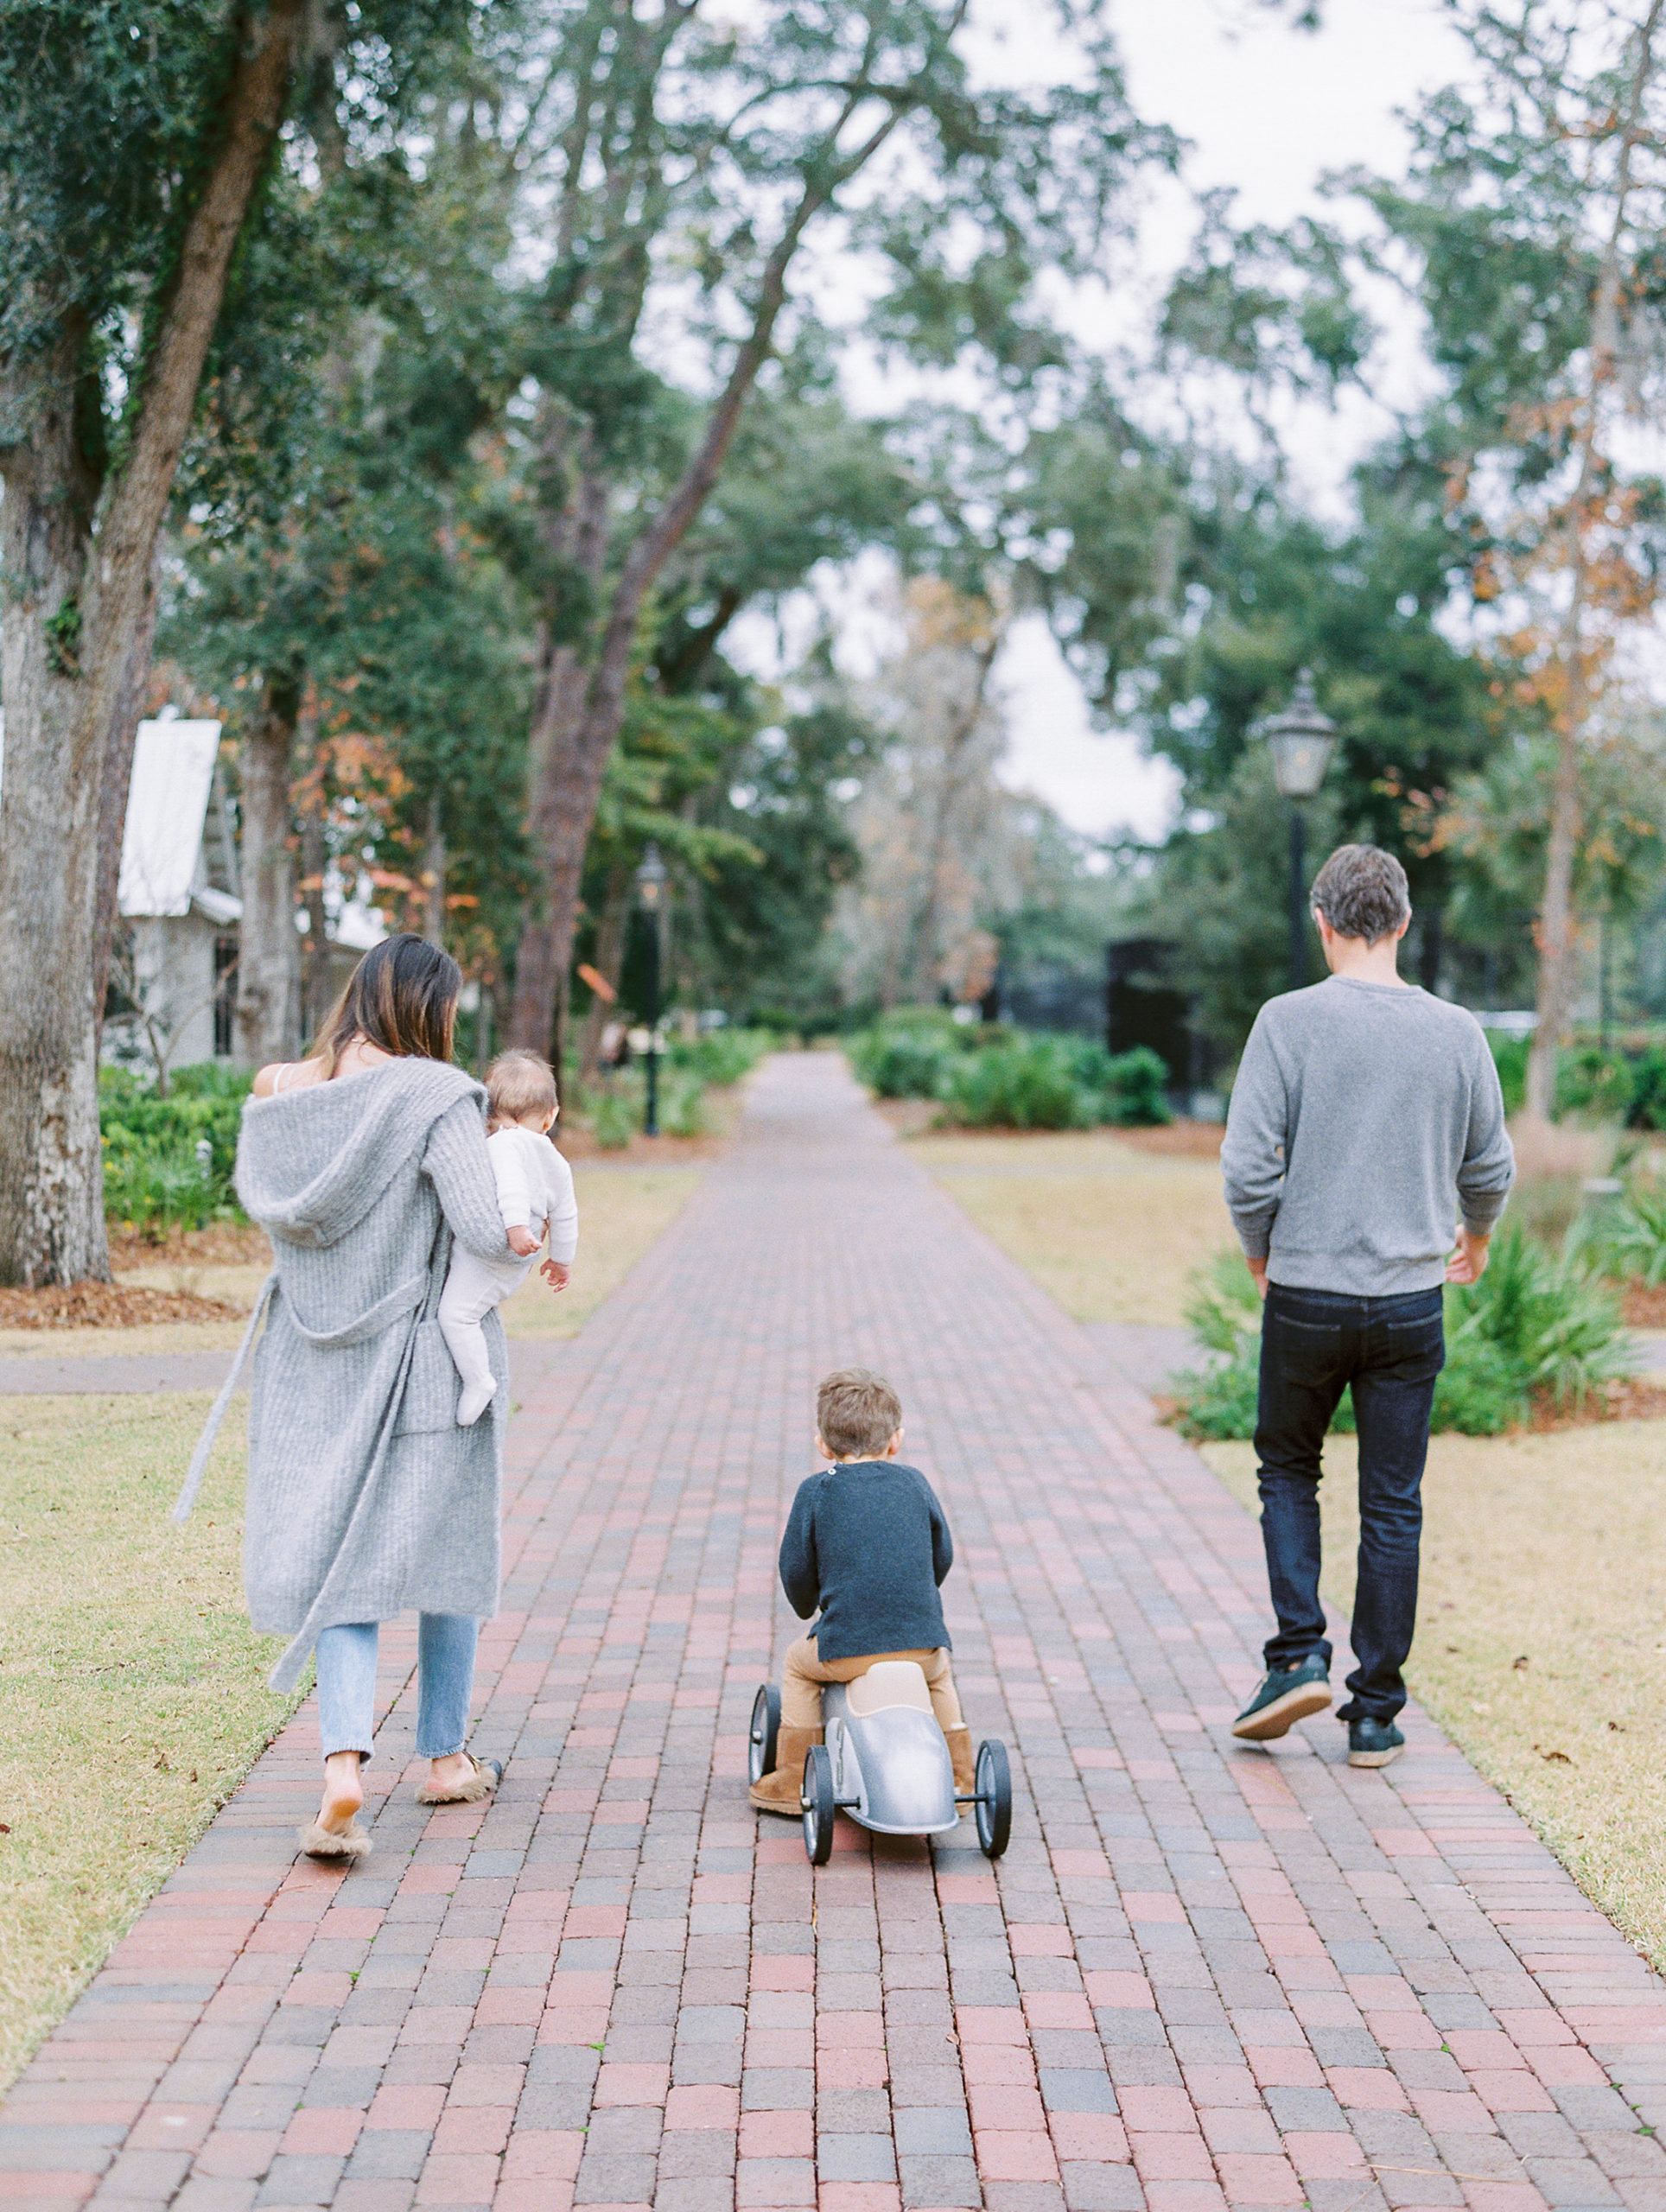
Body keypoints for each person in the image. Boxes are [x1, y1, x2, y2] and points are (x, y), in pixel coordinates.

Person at [174, 934, 562, 1861]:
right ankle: (444, 1758)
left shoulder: (285, 1091)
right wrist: (534, 1221)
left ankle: (342, 1766)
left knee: (342, 1561)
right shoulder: (437, 1096)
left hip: (311, 1367)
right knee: (447, 1547)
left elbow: (271, 1168)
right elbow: (481, 1224)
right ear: (425, 1007)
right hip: (425, 1359)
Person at [1221, 843, 1515, 1769]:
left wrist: (1259, 1247)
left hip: (1305, 1292)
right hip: (1407, 1303)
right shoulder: (1455, 1031)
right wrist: (1475, 1235)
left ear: (1321, 922)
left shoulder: (1285, 1021)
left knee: (1285, 1470)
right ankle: (1375, 1713)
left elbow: (1245, 1165)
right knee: (1392, 1500)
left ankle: (1295, 1652)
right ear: (1401, 921)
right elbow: (1489, 1165)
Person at [749, 1367, 975, 1815]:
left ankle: (794, 1777)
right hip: (922, 1644)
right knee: (942, 1675)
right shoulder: (915, 1482)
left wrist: (806, 1607)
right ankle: (959, 1774)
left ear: (823, 1445)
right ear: (896, 1440)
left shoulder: (815, 1492)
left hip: (848, 1647)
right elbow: (942, 1553)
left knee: (797, 1667)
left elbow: (795, 1568)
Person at [438, 1049, 577, 1425]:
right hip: (519, 1261)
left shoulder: (503, 1142)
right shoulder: (556, 1161)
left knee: (456, 1316)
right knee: (472, 1309)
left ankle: (479, 1380)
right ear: (551, 1116)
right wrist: (561, 1261)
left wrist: (515, 1229)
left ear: (486, 1116)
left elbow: (511, 1188)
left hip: (500, 1250)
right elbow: (565, 1213)